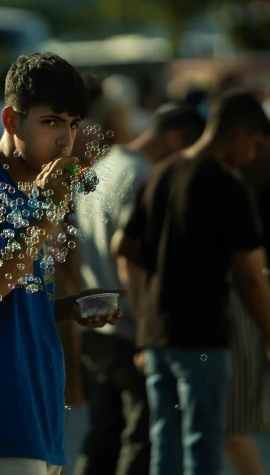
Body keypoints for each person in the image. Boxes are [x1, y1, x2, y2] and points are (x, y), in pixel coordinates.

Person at [0, 52, 126, 475]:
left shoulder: (30, 194)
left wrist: (70, 307)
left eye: (72, 123)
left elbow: (7, 306)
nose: (66, 141)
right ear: (11, 120)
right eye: (51, 122)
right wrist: (46, 214)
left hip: (35, 415)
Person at [118, 89, 270, 475]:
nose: (252, 154)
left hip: (156, 335)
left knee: (164, 443)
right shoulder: (227, 186)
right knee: (203, 445)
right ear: (239, 132)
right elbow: (252, 277)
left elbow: (125, 247)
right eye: (253, 143)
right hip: (201, 337)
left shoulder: (162, 171)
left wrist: (142, 313)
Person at [73, 104, 205, 475]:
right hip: (131, 326)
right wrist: (150, 331)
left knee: (103, 435)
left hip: (95, 319)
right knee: (141, 437)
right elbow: (129, 257)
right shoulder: (146, 176)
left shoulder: (104, 165)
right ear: (176, 140)